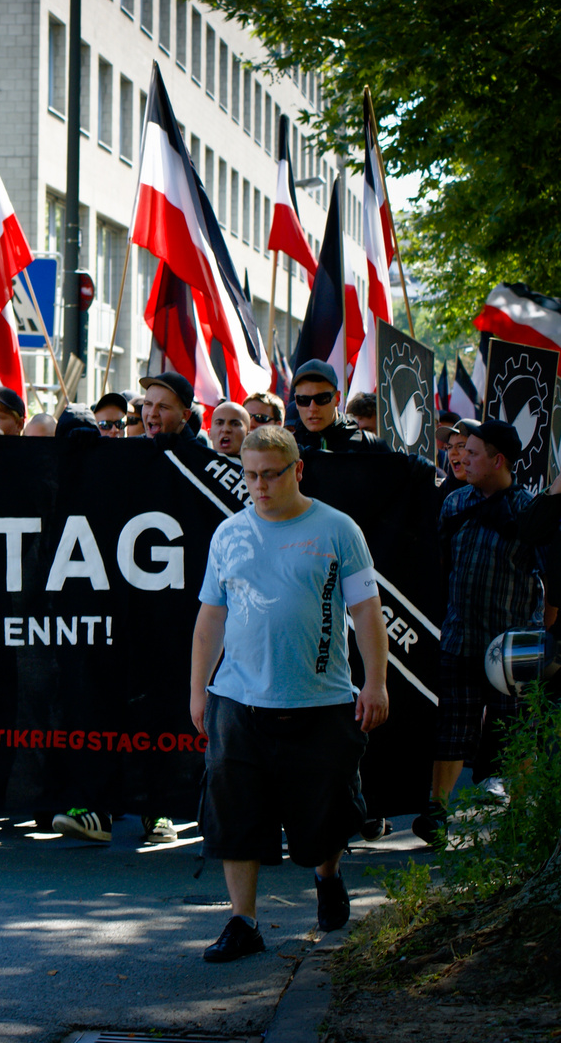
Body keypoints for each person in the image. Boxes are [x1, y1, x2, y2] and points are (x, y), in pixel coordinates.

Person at [190, 425, 389, 960]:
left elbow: (365, 611)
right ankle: (243, 921)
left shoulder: (337, 529)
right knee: (235, 814)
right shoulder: (228, 534)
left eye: (270, 475)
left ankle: (327, 875)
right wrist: (199, 690)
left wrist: (376, 681)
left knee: (324, 811)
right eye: (249, 475)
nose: (258, 485)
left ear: (297, 470)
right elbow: (210, 617)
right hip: (238, 700)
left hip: (320, 699)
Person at [416, 419, 561, 844]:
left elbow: (552, 578)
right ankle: (438, 815)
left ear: (498, 460)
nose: (461, 457)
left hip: (513, 651)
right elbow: (440, 567)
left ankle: (521, 820)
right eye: (459, 450)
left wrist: (543, 632)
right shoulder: (454, 503)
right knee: (452, 731)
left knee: (516, 734)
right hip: (460, 640)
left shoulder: (529, 511)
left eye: (472, 452)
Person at [288, 360, 389, 453]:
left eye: (322, 398)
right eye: (303, 400)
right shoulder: (286, 449)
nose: (313, 408)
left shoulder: (370, 446)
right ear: (296, 401)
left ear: (337, 398)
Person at [138, 372, 198, 440]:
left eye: (163, 407)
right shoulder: (129, 448)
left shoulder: (196, 450)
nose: (152, 413)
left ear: (185, 415)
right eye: (148, 404)